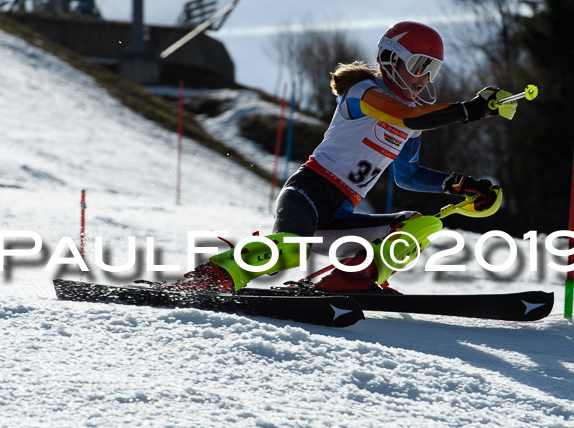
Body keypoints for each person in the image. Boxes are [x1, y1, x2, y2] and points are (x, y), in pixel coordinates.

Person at [171, 21, 517, 293]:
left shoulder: (411, 117)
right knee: (290, 250)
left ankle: (352, 282)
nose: (425, 77)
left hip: (340, 214)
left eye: (433, 69)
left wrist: (458, 185)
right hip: (307, 194)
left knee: (417, 224)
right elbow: (411, 117)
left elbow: (407, 175)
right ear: (390, 59)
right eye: (420, 64)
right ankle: (213, 277)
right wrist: (470, 109)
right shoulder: (364, 92)